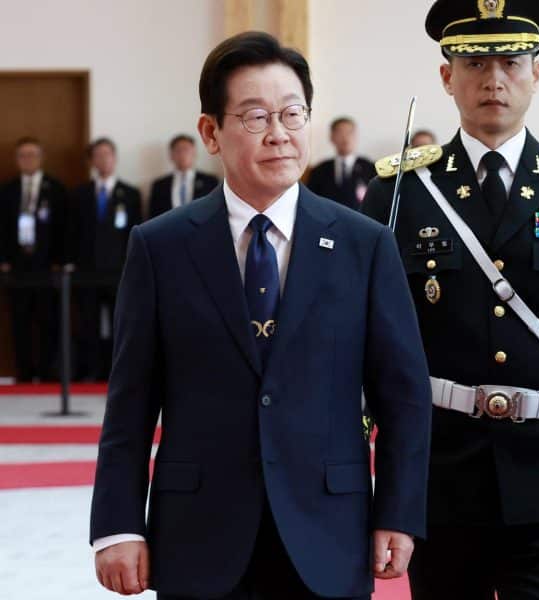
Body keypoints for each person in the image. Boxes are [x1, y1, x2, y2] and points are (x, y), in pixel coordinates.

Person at [89, 31, 431, 599]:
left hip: (330, 530)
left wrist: (397, 512)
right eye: (254, 117)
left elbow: (403, 396)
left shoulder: (363, 245)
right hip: (199, 533)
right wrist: (117, 525)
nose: (279, 134)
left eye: (292, 114)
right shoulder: (162, 246)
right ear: (210, 132)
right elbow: (130, 400)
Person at [362, 1, 539, 598]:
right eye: (474, 62)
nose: (493, 79)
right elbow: (372, 346)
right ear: (446, 76)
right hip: (441, 478)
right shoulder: (398, 192)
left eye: (511, 60)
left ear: (538, 72)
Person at [67, 137, 142, 381]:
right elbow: (72, 232)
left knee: (119, 323)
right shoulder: (79, 194)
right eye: (98, 155)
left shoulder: (130, 193)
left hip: (119, 269)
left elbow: (137, 232)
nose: (103, 160)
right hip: (86, 269)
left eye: (108, 154)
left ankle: (116, 372)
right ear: (91, 161)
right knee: (87, 322)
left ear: (115, 158)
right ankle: (90, 371)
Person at [0, 137, 69, 381]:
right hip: (17, 267)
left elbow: (64, 228)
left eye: (32, 155)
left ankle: (48, 374)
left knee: (48, 322)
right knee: (19, 322)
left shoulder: (56, 189)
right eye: (22, 155)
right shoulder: (7, 191)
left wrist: (60, 260)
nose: (27, 159)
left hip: (47, 267)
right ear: (16, 160)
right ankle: (24, 374)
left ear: (41, 158)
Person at [306, 117, 376, 209]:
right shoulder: (319, 170)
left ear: (356, 136)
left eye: (349, 132)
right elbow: (311, 201)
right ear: (331, 137)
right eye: (340, 133)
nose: (345, 137)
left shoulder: (370, 168)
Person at [148, 134, 220, 219]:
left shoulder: (210, 181)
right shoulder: (159, 185)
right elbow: (153, 218)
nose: (182, 154)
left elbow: (216, 212)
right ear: (171, 155)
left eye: (186, 150)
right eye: (178, 150)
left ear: (194, 153)